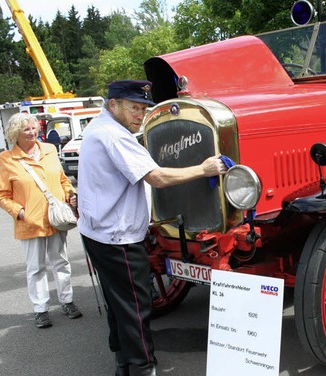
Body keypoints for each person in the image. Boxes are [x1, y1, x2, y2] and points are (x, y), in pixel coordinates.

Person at [77, 80, 227, 376]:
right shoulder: (114, 135)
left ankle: (122, 362)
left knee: (118, 302)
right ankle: (145, 367)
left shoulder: (99, 128)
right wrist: (204, 169)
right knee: (136, 304)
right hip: (116, 236)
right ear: (113, 105)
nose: (141, 115)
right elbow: (156, 178)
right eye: (134, 107)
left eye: (144, 109)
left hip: (99, 232)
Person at [0, 113, 82, 329]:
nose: (32, 132)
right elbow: (1, 195)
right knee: (36, 268)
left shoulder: (49, 150)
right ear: (16, 133)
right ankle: (40, 309)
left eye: (34, 128)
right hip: (30, 222)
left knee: (61, 262)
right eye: (27, 130)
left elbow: (62, 179)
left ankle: (67, 300)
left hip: (56, 219)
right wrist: (20, 212)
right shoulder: (7, 158)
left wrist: (70, 193)